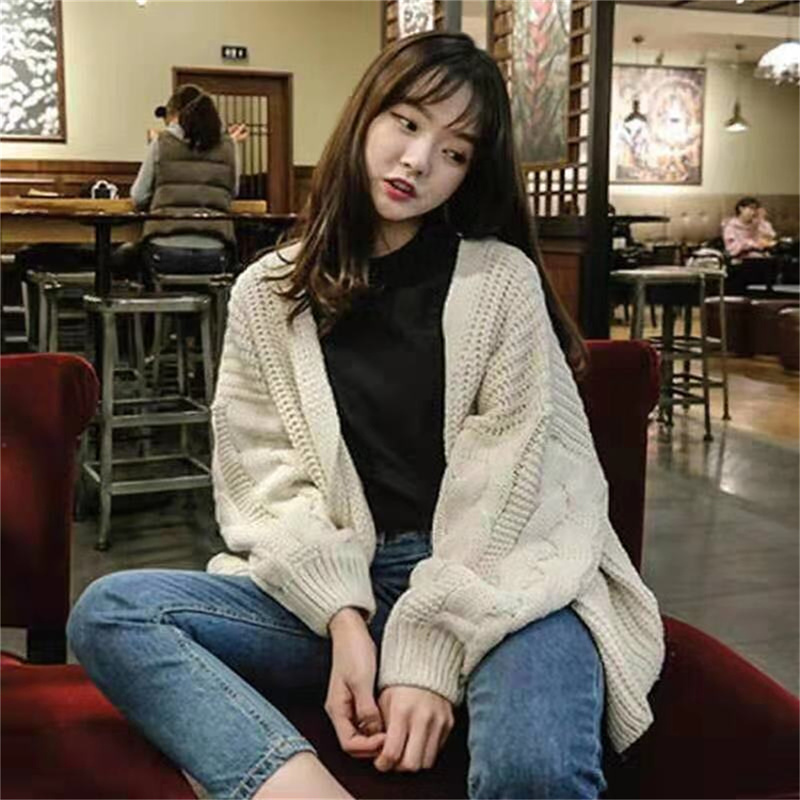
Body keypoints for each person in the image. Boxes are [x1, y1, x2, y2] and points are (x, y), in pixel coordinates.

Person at [67, 32, 665, 800]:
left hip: (503, 578)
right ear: (366, 116)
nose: (418, 161)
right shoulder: (268, 293)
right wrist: (343, 619)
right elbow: (268, 479)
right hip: (348, 579)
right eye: (407, 123)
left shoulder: (500, 281)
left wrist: (426, 657)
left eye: (454, 152)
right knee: (113, 612)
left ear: (472, 171)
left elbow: (515, 487)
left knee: (534, 767)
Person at [130, 83, 248, 277]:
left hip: (163, 248)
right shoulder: (229, 146)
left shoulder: (161, 142)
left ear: (174, 113)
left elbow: (138, 196)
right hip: (216, 251)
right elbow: (232, 192)